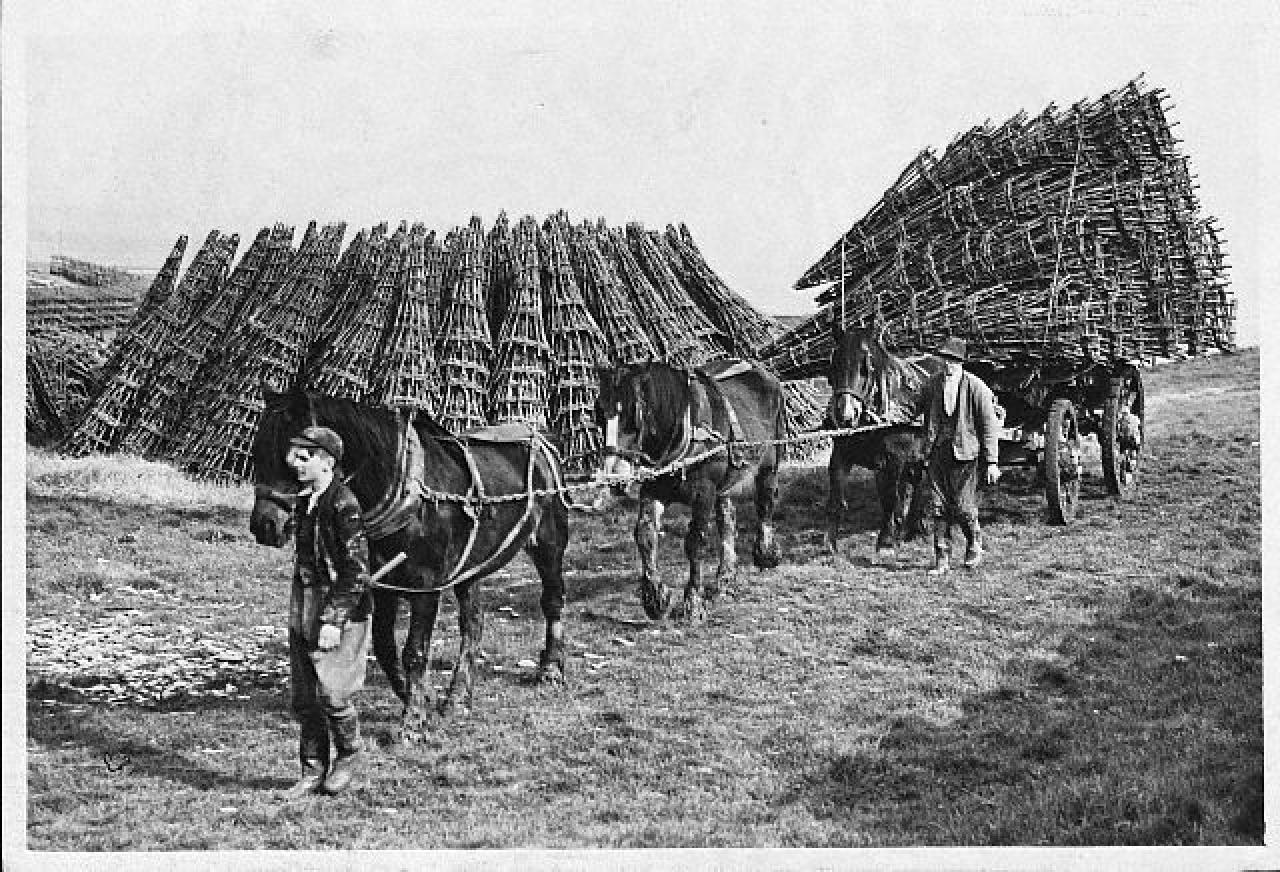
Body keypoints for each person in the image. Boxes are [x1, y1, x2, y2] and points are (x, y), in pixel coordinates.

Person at [283, 425, 373, 798]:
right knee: (306, 697)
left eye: (304, 458)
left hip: (341, 607)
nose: (295, 464)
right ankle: (312, 769)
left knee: (333, 693)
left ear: (327, 463)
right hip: (304, 602)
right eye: (295, 456)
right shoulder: (305, 501)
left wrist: (334, 620)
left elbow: (356, 570)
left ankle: (349, 754)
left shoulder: (343, 505)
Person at [919, 337, 1002, 573]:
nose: (948, 364)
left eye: (953, 360)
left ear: (961, 362)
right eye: (945, 359)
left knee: (963, 507)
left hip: (965, 454)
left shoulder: (976, 387)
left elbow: (989, 426)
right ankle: (942, 559)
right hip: (937, 453)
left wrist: (992, 462)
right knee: (938, 507)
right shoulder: (932, 385)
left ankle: (974, 544)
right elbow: (915, 407)